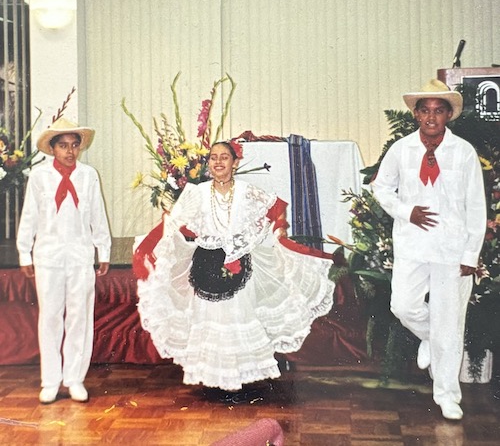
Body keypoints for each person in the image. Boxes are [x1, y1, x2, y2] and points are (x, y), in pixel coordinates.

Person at [134, 141, 334, 400]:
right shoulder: (197, 192)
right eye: (214, 158)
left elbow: (276, 210)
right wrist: (163, 236)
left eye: (224, 157)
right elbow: (177, 223)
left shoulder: (248, 192)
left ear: (234, 162)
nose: (218, 162)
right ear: (209, 163)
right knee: (212, 318)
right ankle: (215, 380)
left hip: (241, 263)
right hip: (206, 265)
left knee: (238, 315)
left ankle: (243, 379)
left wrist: (280, 230)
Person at [372, 79, 487, 420]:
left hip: (453, 250)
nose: (432, 117)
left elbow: (476, 206)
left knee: (450, 323)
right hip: (412, 245)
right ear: (416, 114)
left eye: (439, 111)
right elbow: (381, 187)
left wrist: (471, 255)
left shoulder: (463, 152)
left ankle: (448, 395)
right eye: (426, 110)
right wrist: (407, 212)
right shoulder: (401, 149)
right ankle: (429, 340)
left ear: (448, 115)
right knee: (403, 305)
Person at [16, 117, 111, 404]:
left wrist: (102, 249)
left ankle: (74, 379)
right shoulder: (39, 176)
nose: (70, 151)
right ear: (52, 148)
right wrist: (24, 251)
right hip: (48, 256)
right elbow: (30, 215)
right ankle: (51, 381)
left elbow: (97, 214)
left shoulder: (88, 175)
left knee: (79, 317)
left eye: (74, 145)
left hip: (80, 256)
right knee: (51, 317)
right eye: (63, 146)